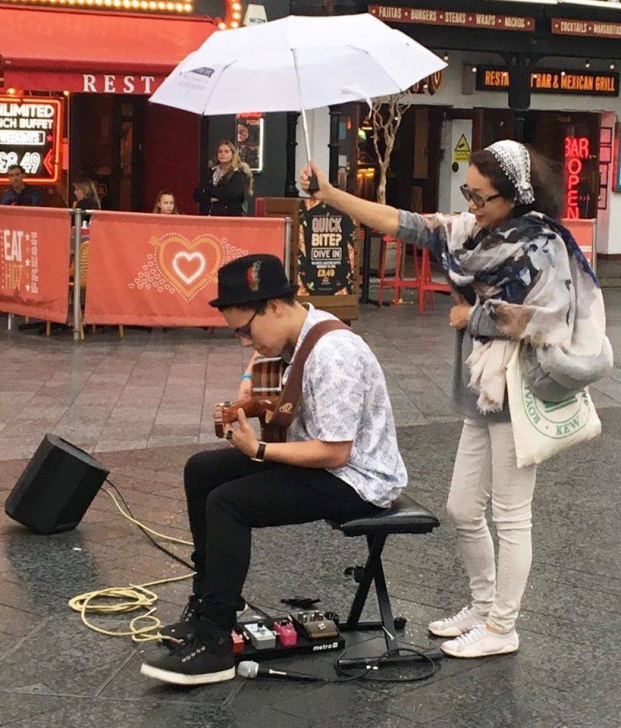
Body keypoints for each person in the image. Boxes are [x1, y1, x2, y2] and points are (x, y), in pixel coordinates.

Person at [299, 140, 608, 659]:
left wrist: (477, 318)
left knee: (512, 515)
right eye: (467, 191)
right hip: (480, 389)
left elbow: (553, 317)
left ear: (514, 196)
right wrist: (330, 193)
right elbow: (400, 222)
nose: (471, 205)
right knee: (463, 507)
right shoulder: (468, 234)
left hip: (518, 388)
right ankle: (483, 607)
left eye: (482, 197)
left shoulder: (542, 244)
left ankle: (502, 627)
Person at [140, 253, 407, 686]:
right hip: (320, 461)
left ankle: (216, 643)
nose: (245, 342)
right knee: (202, 471)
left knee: (228, 503)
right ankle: (213, 602)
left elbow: (335, 453)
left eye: (245, 331)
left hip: (357, 480)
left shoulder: (333, 352)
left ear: (275, 307)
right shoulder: (297, 332)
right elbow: (261, 365)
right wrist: (247, 389)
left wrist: (259, 450)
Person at [193, 140, 253, 216]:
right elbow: (197, 194)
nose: (223, 154)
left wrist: (210, 191)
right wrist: (210, 197)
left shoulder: (238, 174)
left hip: (230, 216)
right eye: (220, 152)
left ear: (233, 154)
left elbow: (231, 194)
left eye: (226, 151)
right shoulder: (210, 172)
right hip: (208, 214)